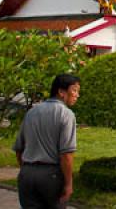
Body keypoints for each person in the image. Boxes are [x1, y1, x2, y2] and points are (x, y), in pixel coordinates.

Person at [13, 74, 81, 209]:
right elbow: (66, 155)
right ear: (61, 92)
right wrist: (68, 184)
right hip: (51, 176)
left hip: (27, 174)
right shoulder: (66, 114)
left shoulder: (32, 112)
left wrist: (27, 169)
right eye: (74, 90)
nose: (77, 95)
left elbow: (19, 148)